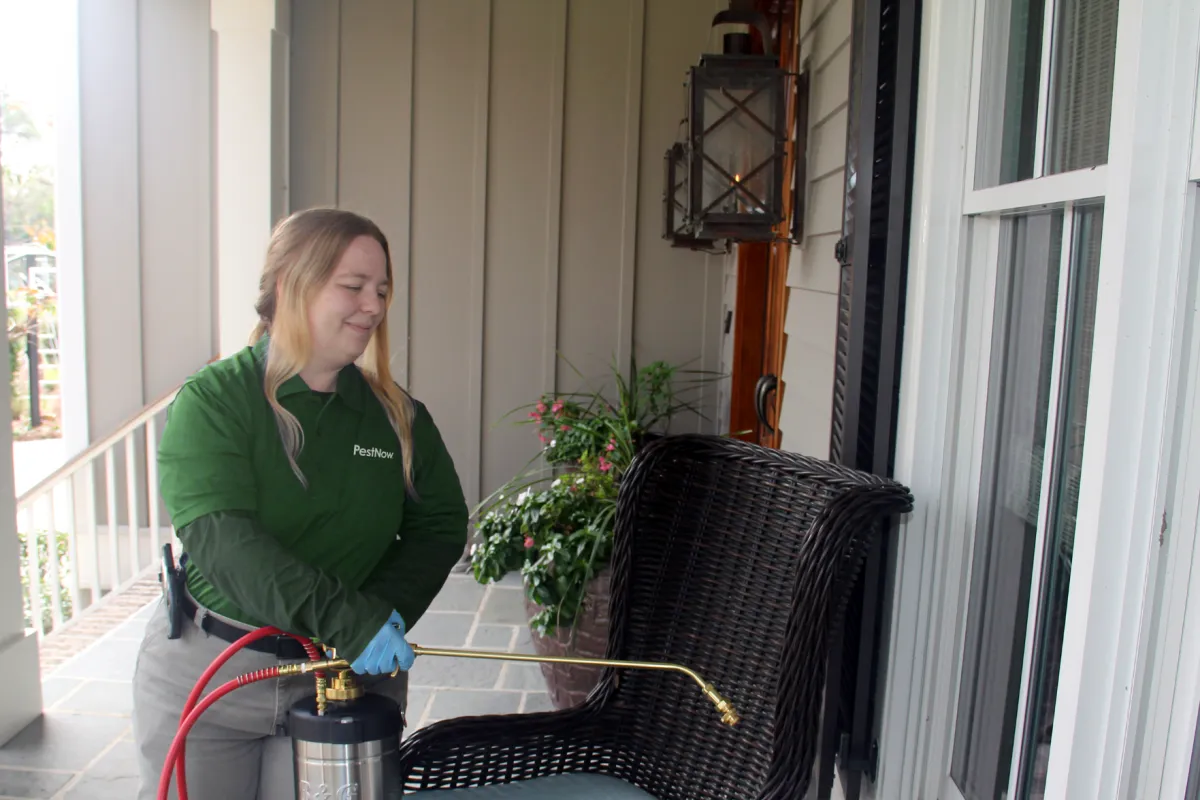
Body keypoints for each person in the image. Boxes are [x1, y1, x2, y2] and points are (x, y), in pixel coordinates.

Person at [132, 208, 469, 799]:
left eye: (383, 290)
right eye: (354, 287)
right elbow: (220, 539)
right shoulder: (214, 401)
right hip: (218, 674)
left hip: (346, 680)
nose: (374, 306)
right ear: (292, 286)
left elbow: (439, 523)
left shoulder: (397, 416)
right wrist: (347, 619)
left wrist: (379, 614)